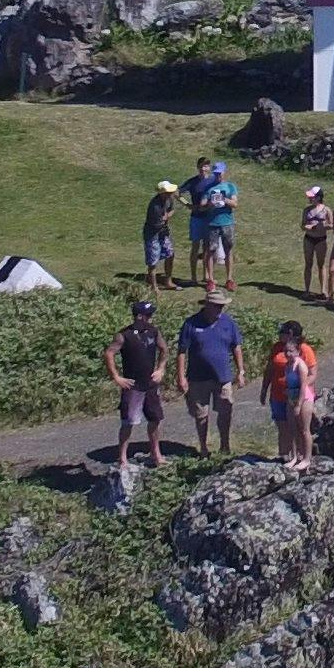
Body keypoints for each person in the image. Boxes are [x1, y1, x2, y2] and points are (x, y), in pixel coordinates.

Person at [104, 297, 170, 469]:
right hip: (132, 384)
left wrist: (161, 368)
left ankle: (156, 454)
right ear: (139, 316)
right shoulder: (124, 335)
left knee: (155, 418)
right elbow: (109, 353)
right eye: (148, 315)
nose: (150, 318)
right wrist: (117, 377)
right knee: (128, 422)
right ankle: (122, 458)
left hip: (150, 382)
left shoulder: (153, 331)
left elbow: (164, 349)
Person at [175, 290, 244, 455]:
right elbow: (182, 351)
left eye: (222, 306)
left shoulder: (229, 323)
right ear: (207, 305)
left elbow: (236, 346)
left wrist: (240, 370)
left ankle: (225, 446)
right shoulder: (191, 323)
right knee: (201, 414)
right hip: (198, 378)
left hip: (222, 376)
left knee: (225, 411)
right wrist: (181, 376)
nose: (220, 309)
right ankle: (204, 447)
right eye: (217, 306)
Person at [264, 319, 319, 464]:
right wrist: (264, 389)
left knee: (301, 427)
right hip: (278, 394)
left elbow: (313, 374)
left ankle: (303, 456)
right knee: (284, 427)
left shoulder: (304, 350)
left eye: (281, 332)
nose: (278, 335)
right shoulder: (277, 347)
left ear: (289, 333)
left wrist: (299, 388)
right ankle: (285, 456)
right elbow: (270, 369)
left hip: (298, 396)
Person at [194, 163, 240, 288]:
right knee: (210, 251)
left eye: (220, 173)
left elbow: (235, 204)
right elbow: (202, 206)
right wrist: (211, 203)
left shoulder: (230, 186)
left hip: (227, 222)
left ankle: (229, 279)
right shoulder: (209, 188)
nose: (218, 175)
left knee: (228, 250)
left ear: (224, 172)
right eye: (216, 173)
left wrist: (224, 200)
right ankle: (210, 279)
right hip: (212, 223)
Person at [141, 181, 181, 287]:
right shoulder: (155, 206)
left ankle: (168, 280)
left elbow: (172, 210)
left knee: (170, 254)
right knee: (153, 261)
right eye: (169, 192)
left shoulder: (169, 199)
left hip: (163, 232)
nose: (171, 193)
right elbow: (157, 224)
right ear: (162, 193)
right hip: (152, 234)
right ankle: (154, 286)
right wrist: (164, 220)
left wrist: (167, 216)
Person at [298, 184, 330, 305]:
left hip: (321, 239)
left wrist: (320, 226)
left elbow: (331, 225)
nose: (310, 199)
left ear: (318, 197)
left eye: (312, 197)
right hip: (309, 239)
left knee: (321, 265)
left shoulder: (326, 210)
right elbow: (302, 225)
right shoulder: (307, 210)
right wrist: (307, 227)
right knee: (308, 264)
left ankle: (323, 290)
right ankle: (306, 290)